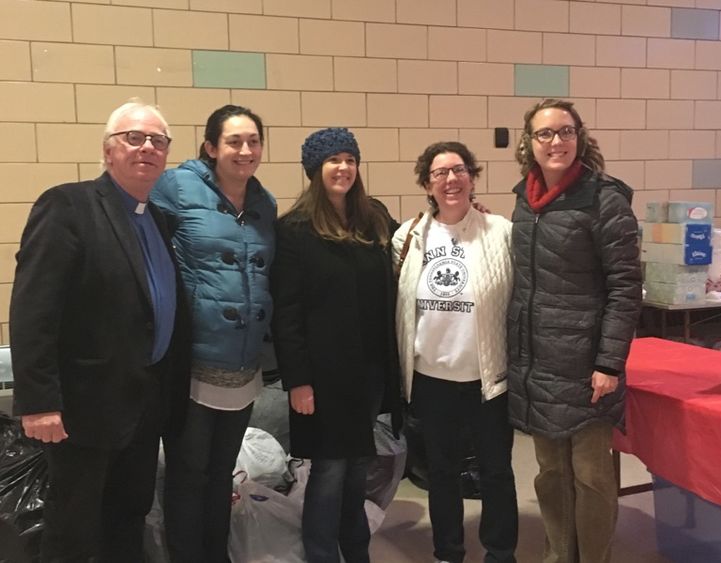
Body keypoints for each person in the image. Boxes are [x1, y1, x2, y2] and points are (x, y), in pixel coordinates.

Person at [9, 101, 190, 563]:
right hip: (82, 409)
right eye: (134, 137)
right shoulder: (68, 205)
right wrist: (40, 401)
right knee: (73, 530)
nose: (148, 147)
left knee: (128, 519)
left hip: (143, 406)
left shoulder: (159, 220)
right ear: (108, 151)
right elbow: (34, 307)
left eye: (158, 141)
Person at [507, 98, 642, 563]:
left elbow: (626, 287)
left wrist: (609, 362)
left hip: (587, 365)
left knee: (590, 474)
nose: (556, 141)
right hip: (537, 363)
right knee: (549, 472)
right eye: (544, 134)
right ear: (529, 143)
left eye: (565, 131)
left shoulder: (605, 199)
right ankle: (558, 555)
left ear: (580, 137)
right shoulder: (522, 201)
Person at [150, 104, 276, 563]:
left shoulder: (265, 201)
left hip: (242, 364)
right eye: (234, 142)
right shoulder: (176, 188)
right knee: (189, 472)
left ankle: (216, 553)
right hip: (193, 361)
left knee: (221, 470)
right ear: (210, 147)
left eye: (253, 141)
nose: (245, 150)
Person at [270, 127, 402, 563]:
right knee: (328, 471)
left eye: (349, 159)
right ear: (315, 170)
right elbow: (285, 313)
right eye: (333, 160)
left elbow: (417, 244)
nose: (343, 168)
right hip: (321, 377)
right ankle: (323, 553)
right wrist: (298, 381)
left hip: (367, 374)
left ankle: (356, 550)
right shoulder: (294, 230)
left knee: (359, 468)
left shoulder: (374, 220)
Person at [392, 141, 518, 563]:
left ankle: (500, 551)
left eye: (459, 170)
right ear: (427, 183)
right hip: (431, 379)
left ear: (473, 177)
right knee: (441, 473)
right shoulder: (407, 237)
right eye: (440, 173)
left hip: (487, 379)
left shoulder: (500, 232)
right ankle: (448, 551)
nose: (451, 179)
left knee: (496, 471)